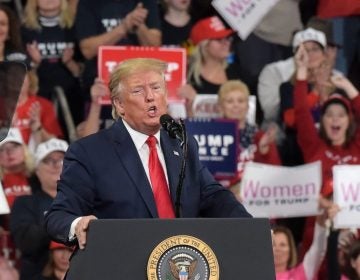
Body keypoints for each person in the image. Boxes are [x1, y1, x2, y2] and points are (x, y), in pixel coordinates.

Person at [45, 58, 252, 250]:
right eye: (138, 91)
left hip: (179, 264)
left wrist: (251, 228)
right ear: (119, 104)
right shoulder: (89, 152)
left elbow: (214, 197)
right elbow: (58, 216)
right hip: (123, 264)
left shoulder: (182, 143)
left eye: (156, 88)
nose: (150, 96)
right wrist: (78, 224)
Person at [74, 0, 162, 96]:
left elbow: (155, 47)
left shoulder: (146, 2)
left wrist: (138, 24)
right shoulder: (88, 3)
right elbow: (87, 50)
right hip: (102, 87)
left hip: (141, 85)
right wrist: (123, 27)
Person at [10, 138, 68, 280]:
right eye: (48, 160)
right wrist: (59, 222)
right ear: (37, 170)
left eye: (62, 159)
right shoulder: (24, 203)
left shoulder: (87, 201)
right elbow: (26, 243)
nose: (56, 165)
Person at [216, 80, 281, 193]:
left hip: (256, 198)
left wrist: (264, 151)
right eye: (230, 101)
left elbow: (275, 176)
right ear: (221, 107)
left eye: (240, 101)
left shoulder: (260, 136)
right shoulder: (212, 137)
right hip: (222, 200)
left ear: (247, 106)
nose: (236, 105)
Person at [178, 16, 242, 116]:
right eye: (219, 39)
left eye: (227, 38)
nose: (226, 43)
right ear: (204, 44)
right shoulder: (185, 76)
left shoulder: (237, 72)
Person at [272, 203, 339, 280]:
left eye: (282, 245)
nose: (277, 249)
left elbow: (318, 249)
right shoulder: (256, 275)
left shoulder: (300, 274)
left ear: (290, 250)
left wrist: (322, 214)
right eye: (273, 245)